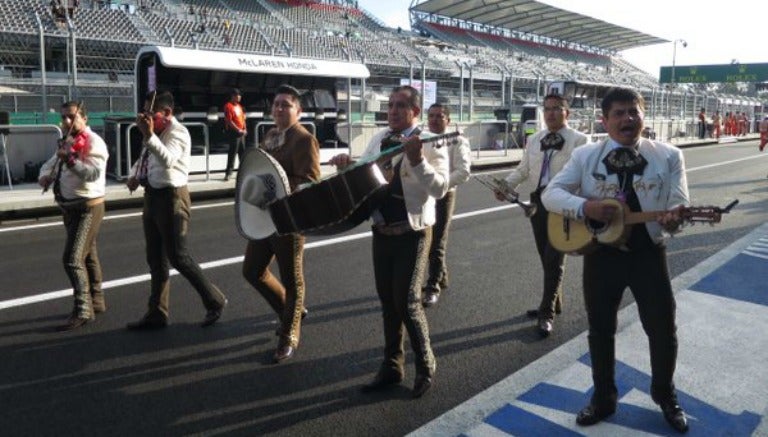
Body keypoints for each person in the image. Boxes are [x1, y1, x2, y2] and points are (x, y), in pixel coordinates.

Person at [542, 87, 690, 433]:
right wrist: (586, 207)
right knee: (600, 329)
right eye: (619, 113)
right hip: (602, 256)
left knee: (663, 329)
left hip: (648, 255)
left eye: (633, 112)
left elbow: (679, 204)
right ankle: (604, 398)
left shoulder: (669, 155)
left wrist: (676, 219)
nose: (627, 119)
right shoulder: (585, 156)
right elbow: (551, 194)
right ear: (605, 120)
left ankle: (665, 395)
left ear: (643, 115)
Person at [329, 85, 449, 398]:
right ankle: (392, 366)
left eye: (400, 106)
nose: (392, 111)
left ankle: (425, 364)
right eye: (390, 105)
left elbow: (440, 188)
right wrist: (347, 164)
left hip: (413, 233)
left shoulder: (431, 142)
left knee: (407, 302)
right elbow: (364, 171)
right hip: (382, 231)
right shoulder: (379, 138)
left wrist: (418, 160)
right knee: (387, 304)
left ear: (415, 112)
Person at [125, 90, 228, 330]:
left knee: (178, 256)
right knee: (155, 258)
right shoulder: (155, 131)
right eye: (144, 112)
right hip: (152, 196)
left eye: (151, 113)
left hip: (172, 198)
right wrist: (133, 176)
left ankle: (215, 300)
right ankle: (157, 312)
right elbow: (144, 159)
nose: (145, 117)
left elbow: (168, 159)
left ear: (167, 113)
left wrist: (149, 135)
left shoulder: (178, 133)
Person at [495, 93, 588, 337]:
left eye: (556, 108)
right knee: (544, 255)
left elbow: (582, 177)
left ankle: (545, 312)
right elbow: (523, 170)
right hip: (537, 204)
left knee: (553, 259)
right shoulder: (534, 139)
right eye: (546, 109)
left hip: (562, 204)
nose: (550, 113)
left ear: (566, 112)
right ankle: (554, 301)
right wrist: (506, 186)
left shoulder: (580, 140)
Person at [241, 84, 320, 363]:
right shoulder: (271, 135)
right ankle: (290, 309)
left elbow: (309, 181)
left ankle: (289, 334)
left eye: (286, 104)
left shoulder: (303, 138)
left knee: (292, 279)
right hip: (266, 218)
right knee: (252, 270)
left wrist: (275, 192)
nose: (279, 109)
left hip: (289, 220)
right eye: (276, 104)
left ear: (298, 110)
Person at [38, 101, 109, 331]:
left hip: (88, 208)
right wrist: (45, 175)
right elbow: (50, 164)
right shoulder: (68, 142)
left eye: (72, 117)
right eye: (63, 117)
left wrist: (70, 159)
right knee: (88, 257)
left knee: (72, 259)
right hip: (70, 208)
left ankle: (83, 310)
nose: (66, 121)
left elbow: (93, 173)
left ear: (84, 119)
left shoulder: (94, 142)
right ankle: (96, 301)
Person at [421, 103, 471, 307]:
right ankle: (441, 276)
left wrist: (440, 185)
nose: (434, 120)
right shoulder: (422, 138)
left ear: (447, 120)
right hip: (423, 195)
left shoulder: (457, 140)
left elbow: (464, 171)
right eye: (431, 116)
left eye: (439, 116)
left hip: (444, 194)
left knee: (437, 241)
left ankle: (433, 286)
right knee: (425, 239)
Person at [223, 88, 246, 181]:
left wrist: (244, 129)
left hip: (241, 133)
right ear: (233, 96)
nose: (239, 97)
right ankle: (228, 173)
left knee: (242, 153)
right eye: (237, 95)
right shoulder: (228, 106)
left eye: (239, 95)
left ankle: (244, 172)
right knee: (232, 153)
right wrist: (238, 130)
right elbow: (229, 121)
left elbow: (243, 119)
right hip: (234, 133)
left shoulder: (239, 107)